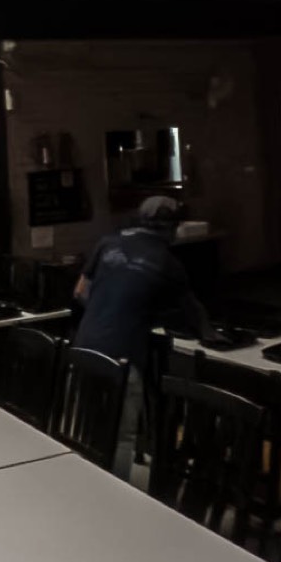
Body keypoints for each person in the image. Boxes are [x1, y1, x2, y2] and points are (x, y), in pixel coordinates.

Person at [72, 196, 214, 475]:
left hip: (84, 347)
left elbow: (79, 292)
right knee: (121, 436)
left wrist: (108, 310)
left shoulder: (107, 242)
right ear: (172, 229)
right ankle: (117, 499)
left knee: (87, 429)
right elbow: (194, 317)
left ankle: (86, 488)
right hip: (123, 356)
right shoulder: (168, 263)